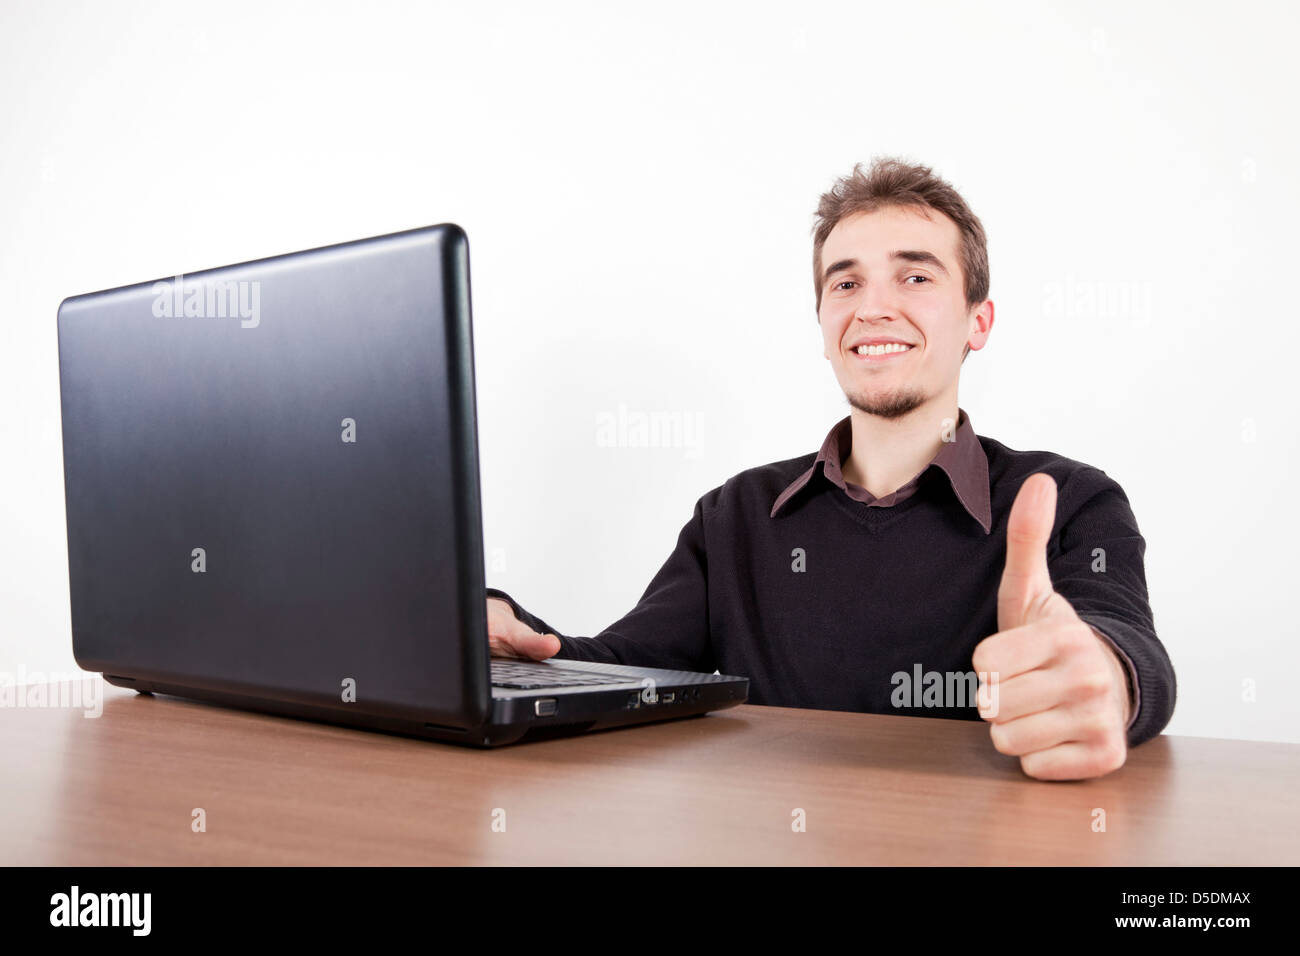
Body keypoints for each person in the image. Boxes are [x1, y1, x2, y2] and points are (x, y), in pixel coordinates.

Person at [485, 156, 1175, 781]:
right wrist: (510, 639)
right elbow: (624, 668)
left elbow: (1124, 646)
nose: (873, 306)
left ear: (978, 322)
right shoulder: (734, 516)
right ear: (822, 322)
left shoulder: (1069, 501)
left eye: (915, 275)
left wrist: (1105, 679)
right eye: (845, 282)